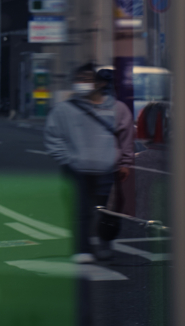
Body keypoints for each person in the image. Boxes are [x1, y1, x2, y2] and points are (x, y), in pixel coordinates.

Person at [44, 63, 133, 263]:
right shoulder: (64, 110)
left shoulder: (117, 109)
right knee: (80, 210)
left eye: (87, 79)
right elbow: (53, 136)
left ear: (98, 83)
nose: (83, 83)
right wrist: (67, 159)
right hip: (76, 169)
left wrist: (125, 162)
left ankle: (104, 244)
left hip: (107, 168)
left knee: (108, 212)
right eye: (79, 79)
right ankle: (82, 249)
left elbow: (126, 138)